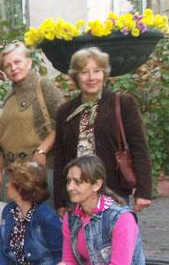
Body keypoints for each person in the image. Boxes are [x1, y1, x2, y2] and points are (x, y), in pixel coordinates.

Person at [52, 47, 152, 214]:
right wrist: (60, 201)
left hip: (114, 192)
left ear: (104, 74)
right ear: (76, 76)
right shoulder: (65, 111)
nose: (91, 77)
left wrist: (144, 191)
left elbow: (139, 148)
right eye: (84, 72)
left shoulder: (123, 104)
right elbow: (60, 158)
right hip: (76, 195)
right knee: (80, 232)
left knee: (117, 231)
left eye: (97, 71)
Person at [0, 41, 64, 203]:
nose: (13, 68)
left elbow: (63, 122)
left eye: (17, 62)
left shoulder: (44, 87)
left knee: (41, 217)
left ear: (29, 62)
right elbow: (6, 134)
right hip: (13, 173)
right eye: (7, 66)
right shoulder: (9, 95)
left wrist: (42, 150)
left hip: (39, 171)